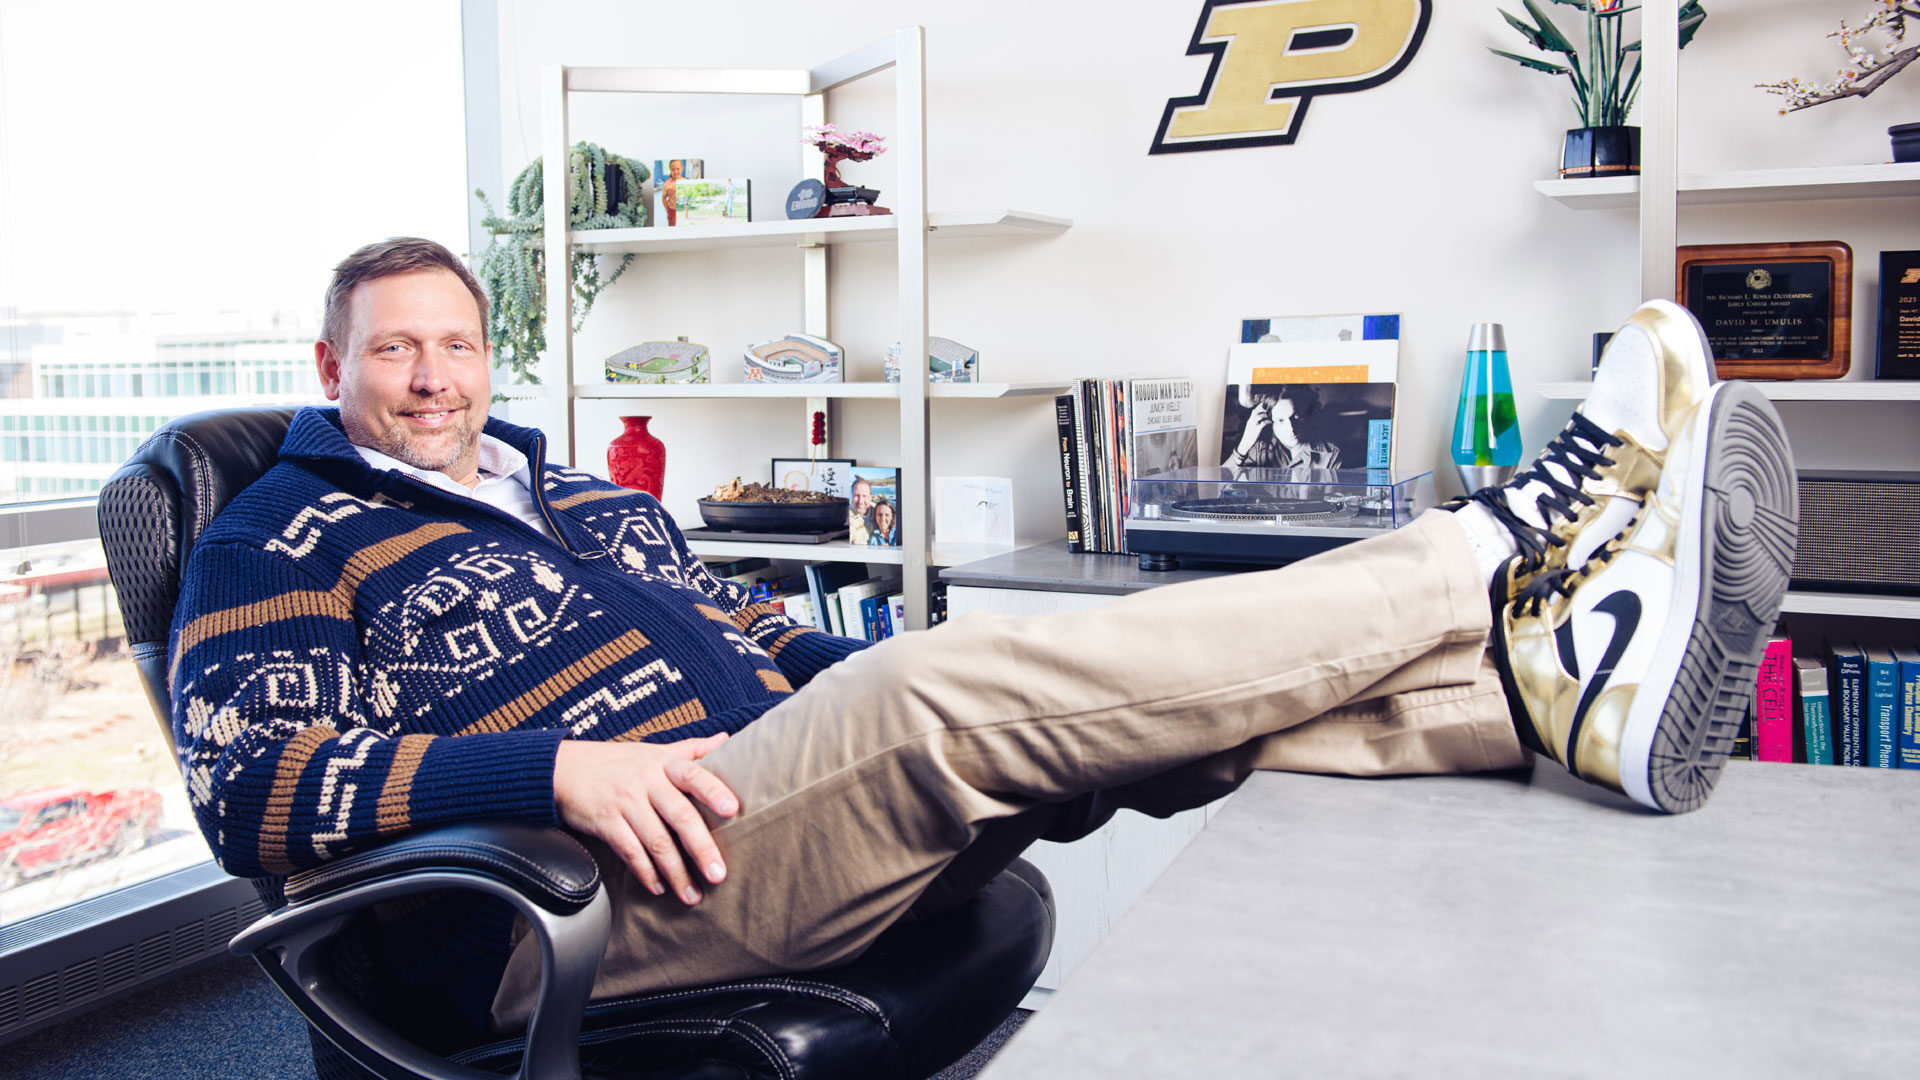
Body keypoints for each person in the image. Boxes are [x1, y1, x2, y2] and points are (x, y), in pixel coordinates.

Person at [167, 238, 1795, 1038]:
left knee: (1108, 695)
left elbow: (749, 634)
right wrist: (552, 771)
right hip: (563, 902)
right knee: (951, 688)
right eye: (399, 352)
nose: (437, 376)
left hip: (738, 795)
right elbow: (251, 782)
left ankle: (1522, 690)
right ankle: (1499, 555)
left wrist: (831, 674)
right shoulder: (280, 533)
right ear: (336, 368)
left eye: (458, 342)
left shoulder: (572, 494)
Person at [1222, 382, 1341, 471]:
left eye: (1295, 416)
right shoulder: (1260, 451)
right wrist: (1243, 445)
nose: (1291, 429)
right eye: (1280, 420)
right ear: (1268, 421)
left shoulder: (1330, 455)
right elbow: (1214, 487)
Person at [847, 476, 874, 544]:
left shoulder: (879, 511)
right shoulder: (846, 518)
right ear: (852, 496)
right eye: (856, 496)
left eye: (864, 496)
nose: (860, 501)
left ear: (870, 497)